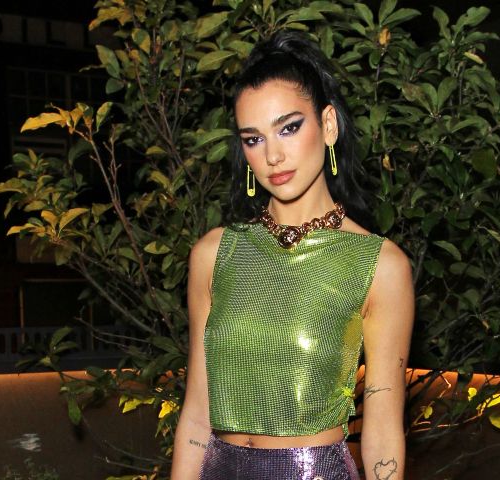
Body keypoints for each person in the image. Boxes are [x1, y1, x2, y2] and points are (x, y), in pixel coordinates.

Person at [170, 30, 414, 480]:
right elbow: (197, 416)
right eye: (253, 139)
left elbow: (382, 431)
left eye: (289, 128)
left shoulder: (380, 265)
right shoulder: (213, 254)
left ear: (328, 125)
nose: (273, 156)